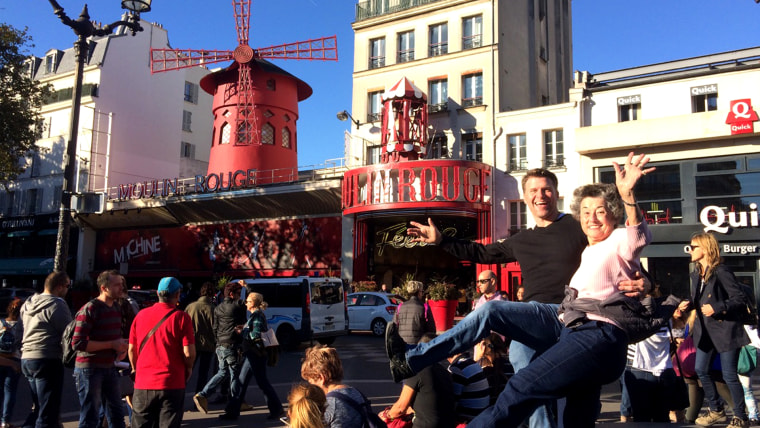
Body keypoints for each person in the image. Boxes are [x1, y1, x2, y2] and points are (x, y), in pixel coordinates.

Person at [389, 152, 656, 426]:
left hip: (577, 318)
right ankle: (415, 359)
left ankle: (414, 358)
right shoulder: (521, 240)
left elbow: (623, 255)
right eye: (533, 191)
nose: (540, 195)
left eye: (546, 190)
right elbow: (480, 252)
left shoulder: (579, 225)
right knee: (523, 368)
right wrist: (441, 240)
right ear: (525, 197)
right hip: (534, 316)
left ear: (556, 193)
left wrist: (644, 282)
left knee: (582, 394)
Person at [685, 232, 751, 428]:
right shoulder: (697, 273)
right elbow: (699, 301)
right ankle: (717, 410)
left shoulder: (721, 271)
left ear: (705, 249)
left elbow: (739, 298)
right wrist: (686, 306)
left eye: (693, 247)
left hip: (725, 330)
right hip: (705, 332)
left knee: (729, 374)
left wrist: (718, 307)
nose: (690, 250)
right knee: (700, 370)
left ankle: (740, 417)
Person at [128, 277, 195, 428]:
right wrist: (188, 367)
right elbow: (189, 353)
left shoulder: (141, 315)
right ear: (178, 294)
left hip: (143, 383)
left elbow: (131, 349)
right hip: (172, 382)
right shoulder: (181, 318)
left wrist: (134, 369)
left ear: (158, 293)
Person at [71, 270, 130, 428]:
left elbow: (114, 337)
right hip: (89, 369)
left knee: (116, 413)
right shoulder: (91, 308)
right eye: (116, 284)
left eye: (121, 284)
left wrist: (121, 347)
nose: (121, 288)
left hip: (109, 367)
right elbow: (78, 343)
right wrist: (112, 345)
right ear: (104, 288)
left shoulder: (116, 308)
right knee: (90, 415)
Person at [219, 292, 284, 420]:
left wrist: (241, 331)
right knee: (245, 382)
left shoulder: (257, 316)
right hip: (253, 354)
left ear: (253, 303)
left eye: (248, 301)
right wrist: (244, 327)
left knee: (259, 382)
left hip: (255, 354)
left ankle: (276, 408)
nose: (246, 303)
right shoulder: (255, 315)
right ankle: (233, 411)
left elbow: (255, 335)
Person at [19, 271, 72, 428]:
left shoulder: (28, 303)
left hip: (27, 357)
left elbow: (19, 331)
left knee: (38, 407)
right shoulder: (57, 304)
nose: (68, 290)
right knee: (47, 411)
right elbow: (69, 333)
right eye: (68, 286)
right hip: (47, 357)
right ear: (60, 287)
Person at [380, 334, 456, 428]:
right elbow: (427, 405)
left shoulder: (417, 371)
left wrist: (386, 415)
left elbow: (401, 408)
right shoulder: (445, 372)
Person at [193, 281, 246, 413]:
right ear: (232, 294)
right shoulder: (236, 306)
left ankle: (204, 394)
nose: (240, 296)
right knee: (233, 374)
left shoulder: (218, 308)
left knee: (224, 371)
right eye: (239, 294)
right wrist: (246, 286)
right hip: (231, 344)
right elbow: (250, 301)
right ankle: (233, 401)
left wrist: (218, 342)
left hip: (220, 345)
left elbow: (215, 328)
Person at [301, 345, 374, 427]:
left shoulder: (330, 403)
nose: (312, 387)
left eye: (312, 382)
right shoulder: (357, 393)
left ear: (322, 377)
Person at [184, 282, 216, 395]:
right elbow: (215, 328)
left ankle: (179, 396)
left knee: (186, 371)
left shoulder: (190, 306)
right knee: (203, 373)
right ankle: (199, 396)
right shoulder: (211, 308)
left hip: (191, 343)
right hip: (208, 345)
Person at [447, 351, 490, 423]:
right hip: (480, 420)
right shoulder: (472, 363)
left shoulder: (457, 368)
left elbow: (450, 405)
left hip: (468, 422)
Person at [0, 298, 23, 428]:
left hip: (1, 359)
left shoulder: (1, 323)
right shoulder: (22, 326)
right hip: (14, 360)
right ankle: (5, 421)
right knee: (10, 391)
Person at [473, 333, 511, 405]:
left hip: (486, 412)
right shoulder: (511, 364)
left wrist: (476, 359)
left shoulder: (480, 369)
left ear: (482, 348)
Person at [393, 280, 435, 345]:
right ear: (419, 293)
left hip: (402, 346)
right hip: (419, 346)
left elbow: (394, 327)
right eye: (422, 292)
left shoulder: (400, 307)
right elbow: (432, 330)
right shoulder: (424, 307)